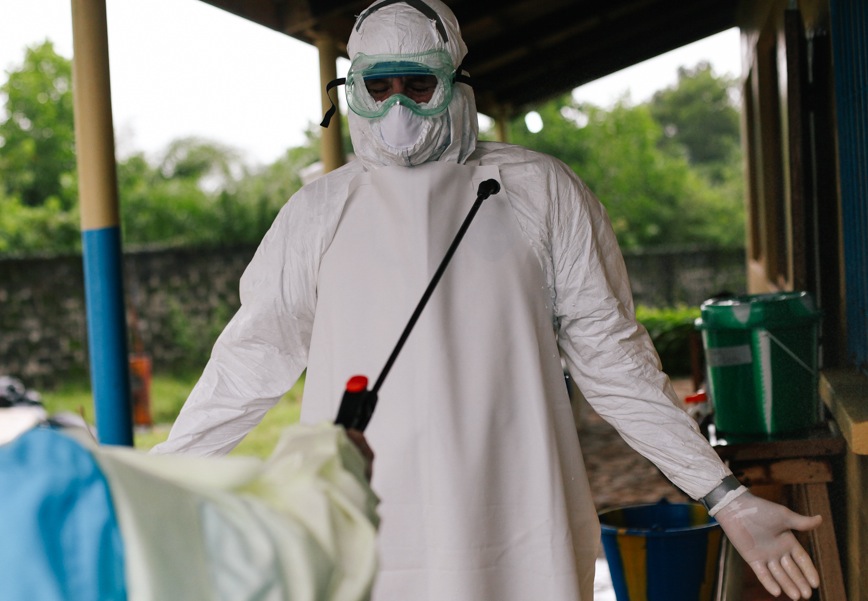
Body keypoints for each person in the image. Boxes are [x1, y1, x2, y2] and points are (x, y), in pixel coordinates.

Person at [152, 1, 823, 599]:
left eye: (419, 85)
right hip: (367, 529)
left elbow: (616, 363)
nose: (398, 111)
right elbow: (247, 364)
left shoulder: (540, 191)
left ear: (454, 84)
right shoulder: (316, 214)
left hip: (518, 526)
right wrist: (150, 487)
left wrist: (725, 495)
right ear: (348, 91)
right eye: (377, 86)